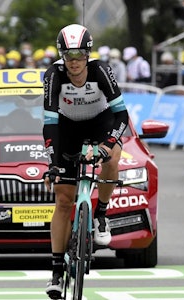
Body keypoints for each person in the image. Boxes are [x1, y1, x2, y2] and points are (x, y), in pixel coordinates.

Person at [42, 24, 129, 299]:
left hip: (101, 122)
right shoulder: (53, 76)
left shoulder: (100, 71)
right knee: (63, 200)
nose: (75, 62)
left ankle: (101, 215)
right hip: (67, 128)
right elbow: (50, 124)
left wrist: (109, 143)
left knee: (113, 156)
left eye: (80, 55)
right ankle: (56, 272)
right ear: (61, 56)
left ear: (88, 54)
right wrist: (53, 163)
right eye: (69, 56)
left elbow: (122, 115)